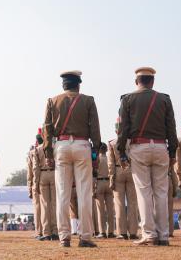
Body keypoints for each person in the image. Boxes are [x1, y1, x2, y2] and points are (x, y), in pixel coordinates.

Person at [117, 67, 178, 246]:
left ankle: (149, 234)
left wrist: (121, 152)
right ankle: (163, 235)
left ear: (137, 82)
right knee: (161, 192)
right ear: (152, 82)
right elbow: (171, 128)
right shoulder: (164, 99)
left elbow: (123, 129)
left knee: (144, 192)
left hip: (139, 146)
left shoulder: (127, 99)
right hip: (161, 147)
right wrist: (172, 152)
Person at [43, 70, 101, 248]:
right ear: (79, 84)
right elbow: (95, 130)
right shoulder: (88, 100)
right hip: (82, 145)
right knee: (84, 194)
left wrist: (47, 153)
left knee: (62, 194)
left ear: (63, 85)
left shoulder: (53, 101)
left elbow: (47, 129)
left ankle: (64, 237)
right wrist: (95, 152)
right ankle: (85, 236)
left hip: (61, 146)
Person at [108, 123, 139, 240]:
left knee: (119, 204)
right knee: (132, 203)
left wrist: (111, 178)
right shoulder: (131, 142)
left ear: (116, 131)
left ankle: (122, 232)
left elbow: (110, 163)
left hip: (118, 170)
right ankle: (133, 232)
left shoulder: (112, 143)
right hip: (131, 170)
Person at [33, 128, 59, 241]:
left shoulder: (38, 149)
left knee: (45, 205)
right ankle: (55, 231)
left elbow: (35, 168)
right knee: (55, 204)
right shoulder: (56, 147)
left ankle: (46, 232)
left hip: (43, 175)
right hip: (54, 174)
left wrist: (36, 183)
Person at [94, 143, 115, 238]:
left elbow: (93, 173)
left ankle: (102, 232)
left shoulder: (97, 160)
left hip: (99, 183)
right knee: (110, 209)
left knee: (100, 210)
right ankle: (111, 231)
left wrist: (93, 188)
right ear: (106, 150)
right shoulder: (109, 159)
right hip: (109, 182)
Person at [27, 140, 43, 240]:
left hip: (37, 182)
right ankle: (50, 230)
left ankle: (39, 231)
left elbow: (30, 173)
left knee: (38, 208)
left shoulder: (33, 153)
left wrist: (30, 187)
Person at [168, 165, 178, 237]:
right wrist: (175, 189)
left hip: (156, 180)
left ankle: (158, 230)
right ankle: (170, 231)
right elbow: (173, 173)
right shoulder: (168, 155)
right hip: (168, 178)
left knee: (156, 207)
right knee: (169, 209)